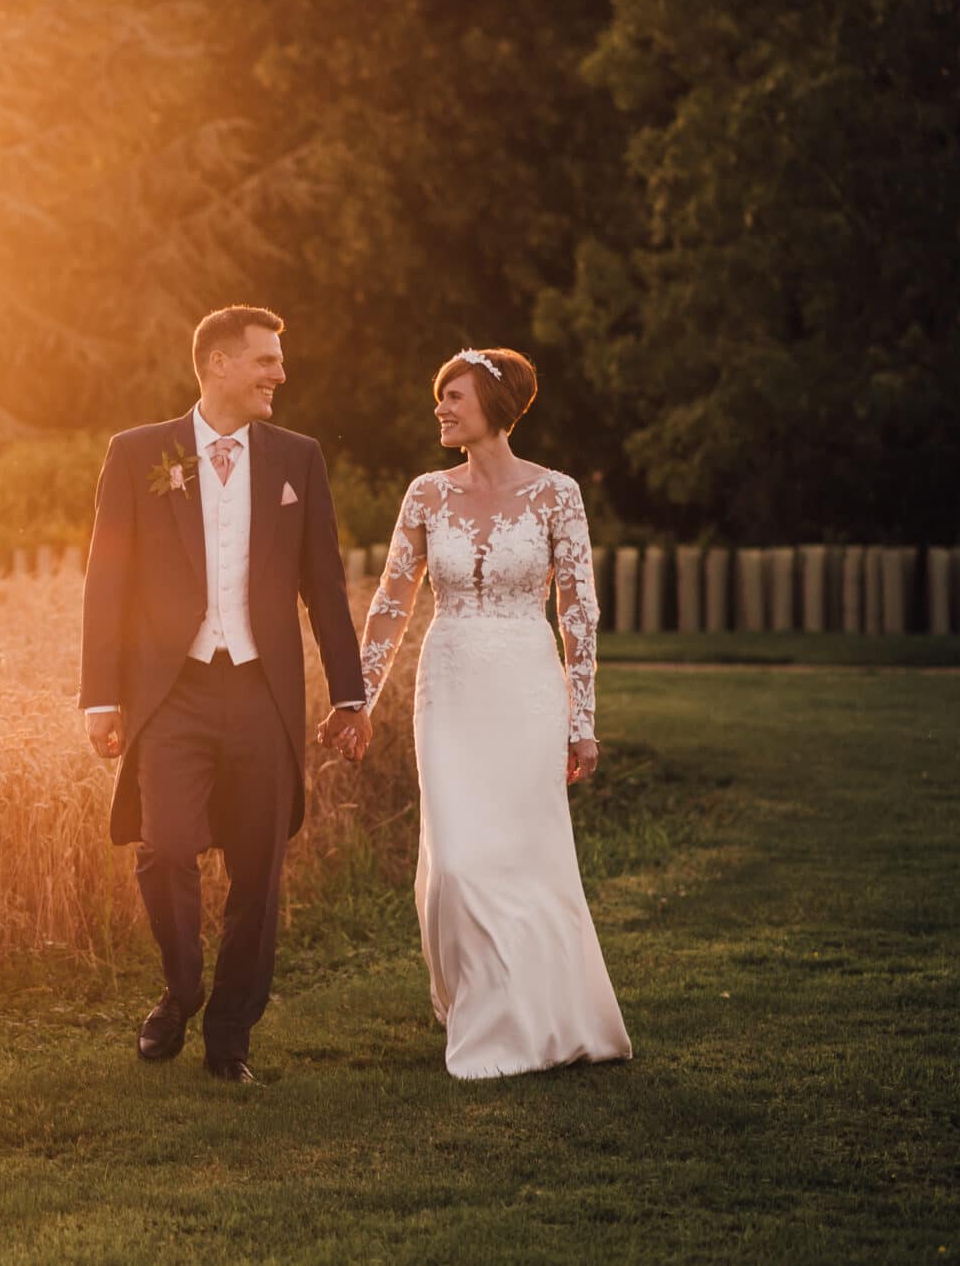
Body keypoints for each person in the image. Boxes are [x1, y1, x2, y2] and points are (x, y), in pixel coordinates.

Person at [316, 347, 633, 1078]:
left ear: (492, 404)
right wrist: (358, 699)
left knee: (527, 853)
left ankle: (539, 1020)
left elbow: (578, 610)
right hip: (450, 684)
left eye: (452, 396)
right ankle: (479, 1008)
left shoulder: (559, 493)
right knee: (456, 862)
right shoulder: (426, 494)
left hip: (526, 683)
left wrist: (581, 718)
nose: (441, 409)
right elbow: (393, 603)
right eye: (440, 398)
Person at [79, 305, 365, 1084]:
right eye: (265, 360)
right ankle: (183, 986)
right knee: (165, 845)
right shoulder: (139, 452)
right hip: (173, 693)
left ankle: (229, 1035)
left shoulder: (298, 458)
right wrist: (99, 696)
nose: (280, 373)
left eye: (278, 360)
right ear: (217, 366)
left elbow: (324, 586)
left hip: (263, 694)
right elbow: (107, 582)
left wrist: (350, 692)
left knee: (258, 874)